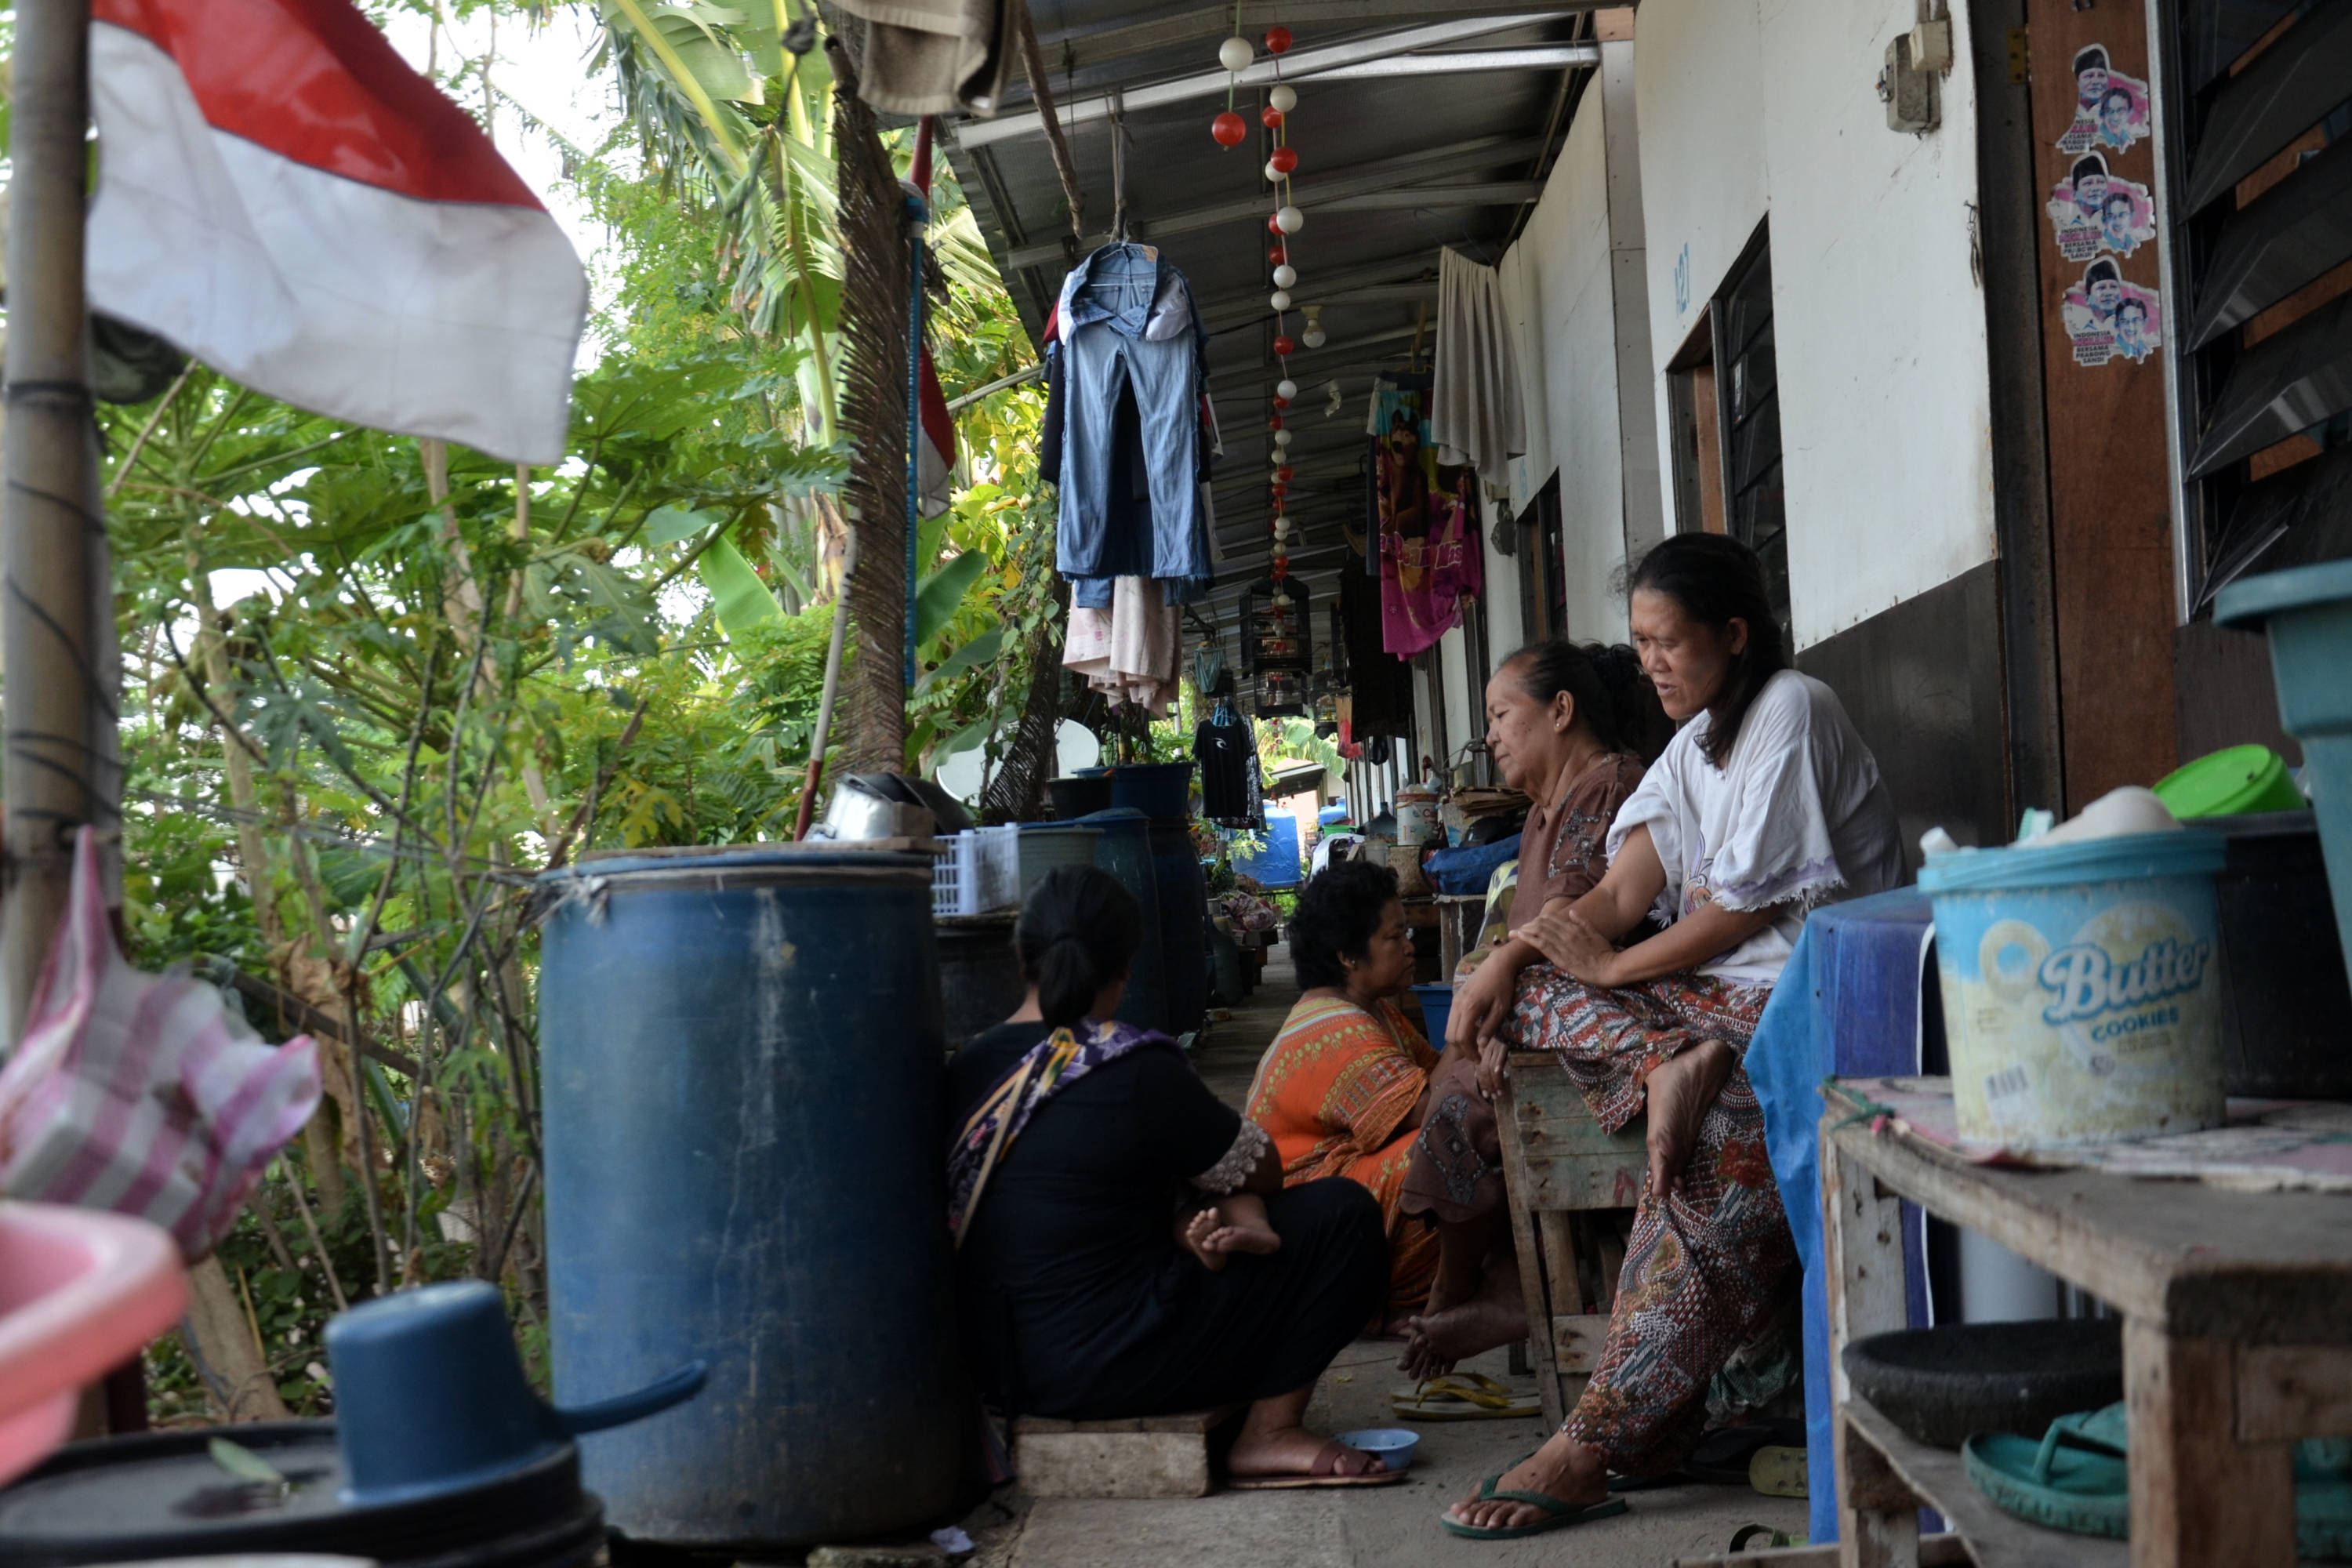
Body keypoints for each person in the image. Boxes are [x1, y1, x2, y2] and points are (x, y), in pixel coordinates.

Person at [1443, 533, 1901, 1540]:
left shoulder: (1791, 707)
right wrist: (1511, 962)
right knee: (1520, 1001)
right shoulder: (1691, 747)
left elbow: (1738, 916)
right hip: (1702, 1012)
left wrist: (1606, 971)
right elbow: (1615, 894)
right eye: (1641, 641)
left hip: (1806, 1008)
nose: (1649, 661)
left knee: (1691, 1179)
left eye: (1670, 641)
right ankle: (1666, 1064)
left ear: (1733, 635)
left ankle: (1592, 1442)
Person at [949, 866, 1403, 1488]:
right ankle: (1268, 1433)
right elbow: (1261, 1167)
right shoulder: (1136, 1066)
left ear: (1019, 955)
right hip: (1116, 1365)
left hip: (1000, 1372)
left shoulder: (968, 1069)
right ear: (1126, 968)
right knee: (1343, 1215)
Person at [1392, 641, 1651, 1377]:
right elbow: (1517, 938)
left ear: (1561, 711)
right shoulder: (1542, 814)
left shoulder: (1607, 788)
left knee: (1465, 1094)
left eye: (1503, 715)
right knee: (1452, 1070)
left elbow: (1568, 930)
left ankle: (1471, 1291)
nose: (1492, 736)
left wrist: (1515, 1007)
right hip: (1555, 1015)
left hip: (1610, 1028)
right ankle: (1490, 1283)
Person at [1244, 861, 1439, 1323]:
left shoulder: (1372, 1011)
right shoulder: (1337, 1029)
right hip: (1310, 1239)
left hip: (1328, 1214)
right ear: (1348, 956)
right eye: (1395, 937)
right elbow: (1436, 1106)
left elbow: (1440, 1077)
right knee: (1447, 1145)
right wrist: (1473, 1019)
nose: (1411, 948)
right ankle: (1421, 1299)